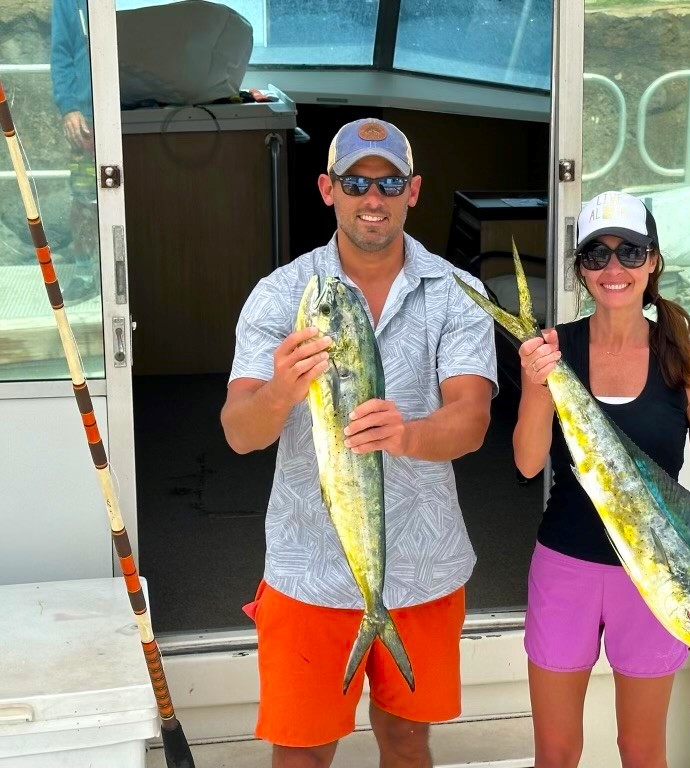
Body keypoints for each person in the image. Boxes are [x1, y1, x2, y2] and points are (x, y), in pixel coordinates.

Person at [222, 118, 497, 768]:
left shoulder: (457, 294)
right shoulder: (282, 295)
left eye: (388, 182)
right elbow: (240, 432)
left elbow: (472, 419)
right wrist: (281, 390)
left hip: (425, 567)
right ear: (327, 189)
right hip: (307, 569)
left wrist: (407, 432)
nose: (372, 198)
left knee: (407, 738)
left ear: (413, 190)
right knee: (302, 750)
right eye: (355, 181)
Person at [513, 190, 690, 768]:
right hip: (566, 564)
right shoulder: (555, 350)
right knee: (555, 752)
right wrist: (534, 384)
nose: (614, 268)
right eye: (597, 256)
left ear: (653, 262)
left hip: (657, 582)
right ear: (581, 270)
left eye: (630, 251)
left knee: (642, 748)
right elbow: (528, 464)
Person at [50, 0, 98, 302]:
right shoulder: (67, 2)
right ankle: (84, 273)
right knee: (83, 198)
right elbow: (61, 54)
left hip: (136, 111)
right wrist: (69, 106)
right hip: (88, 117)